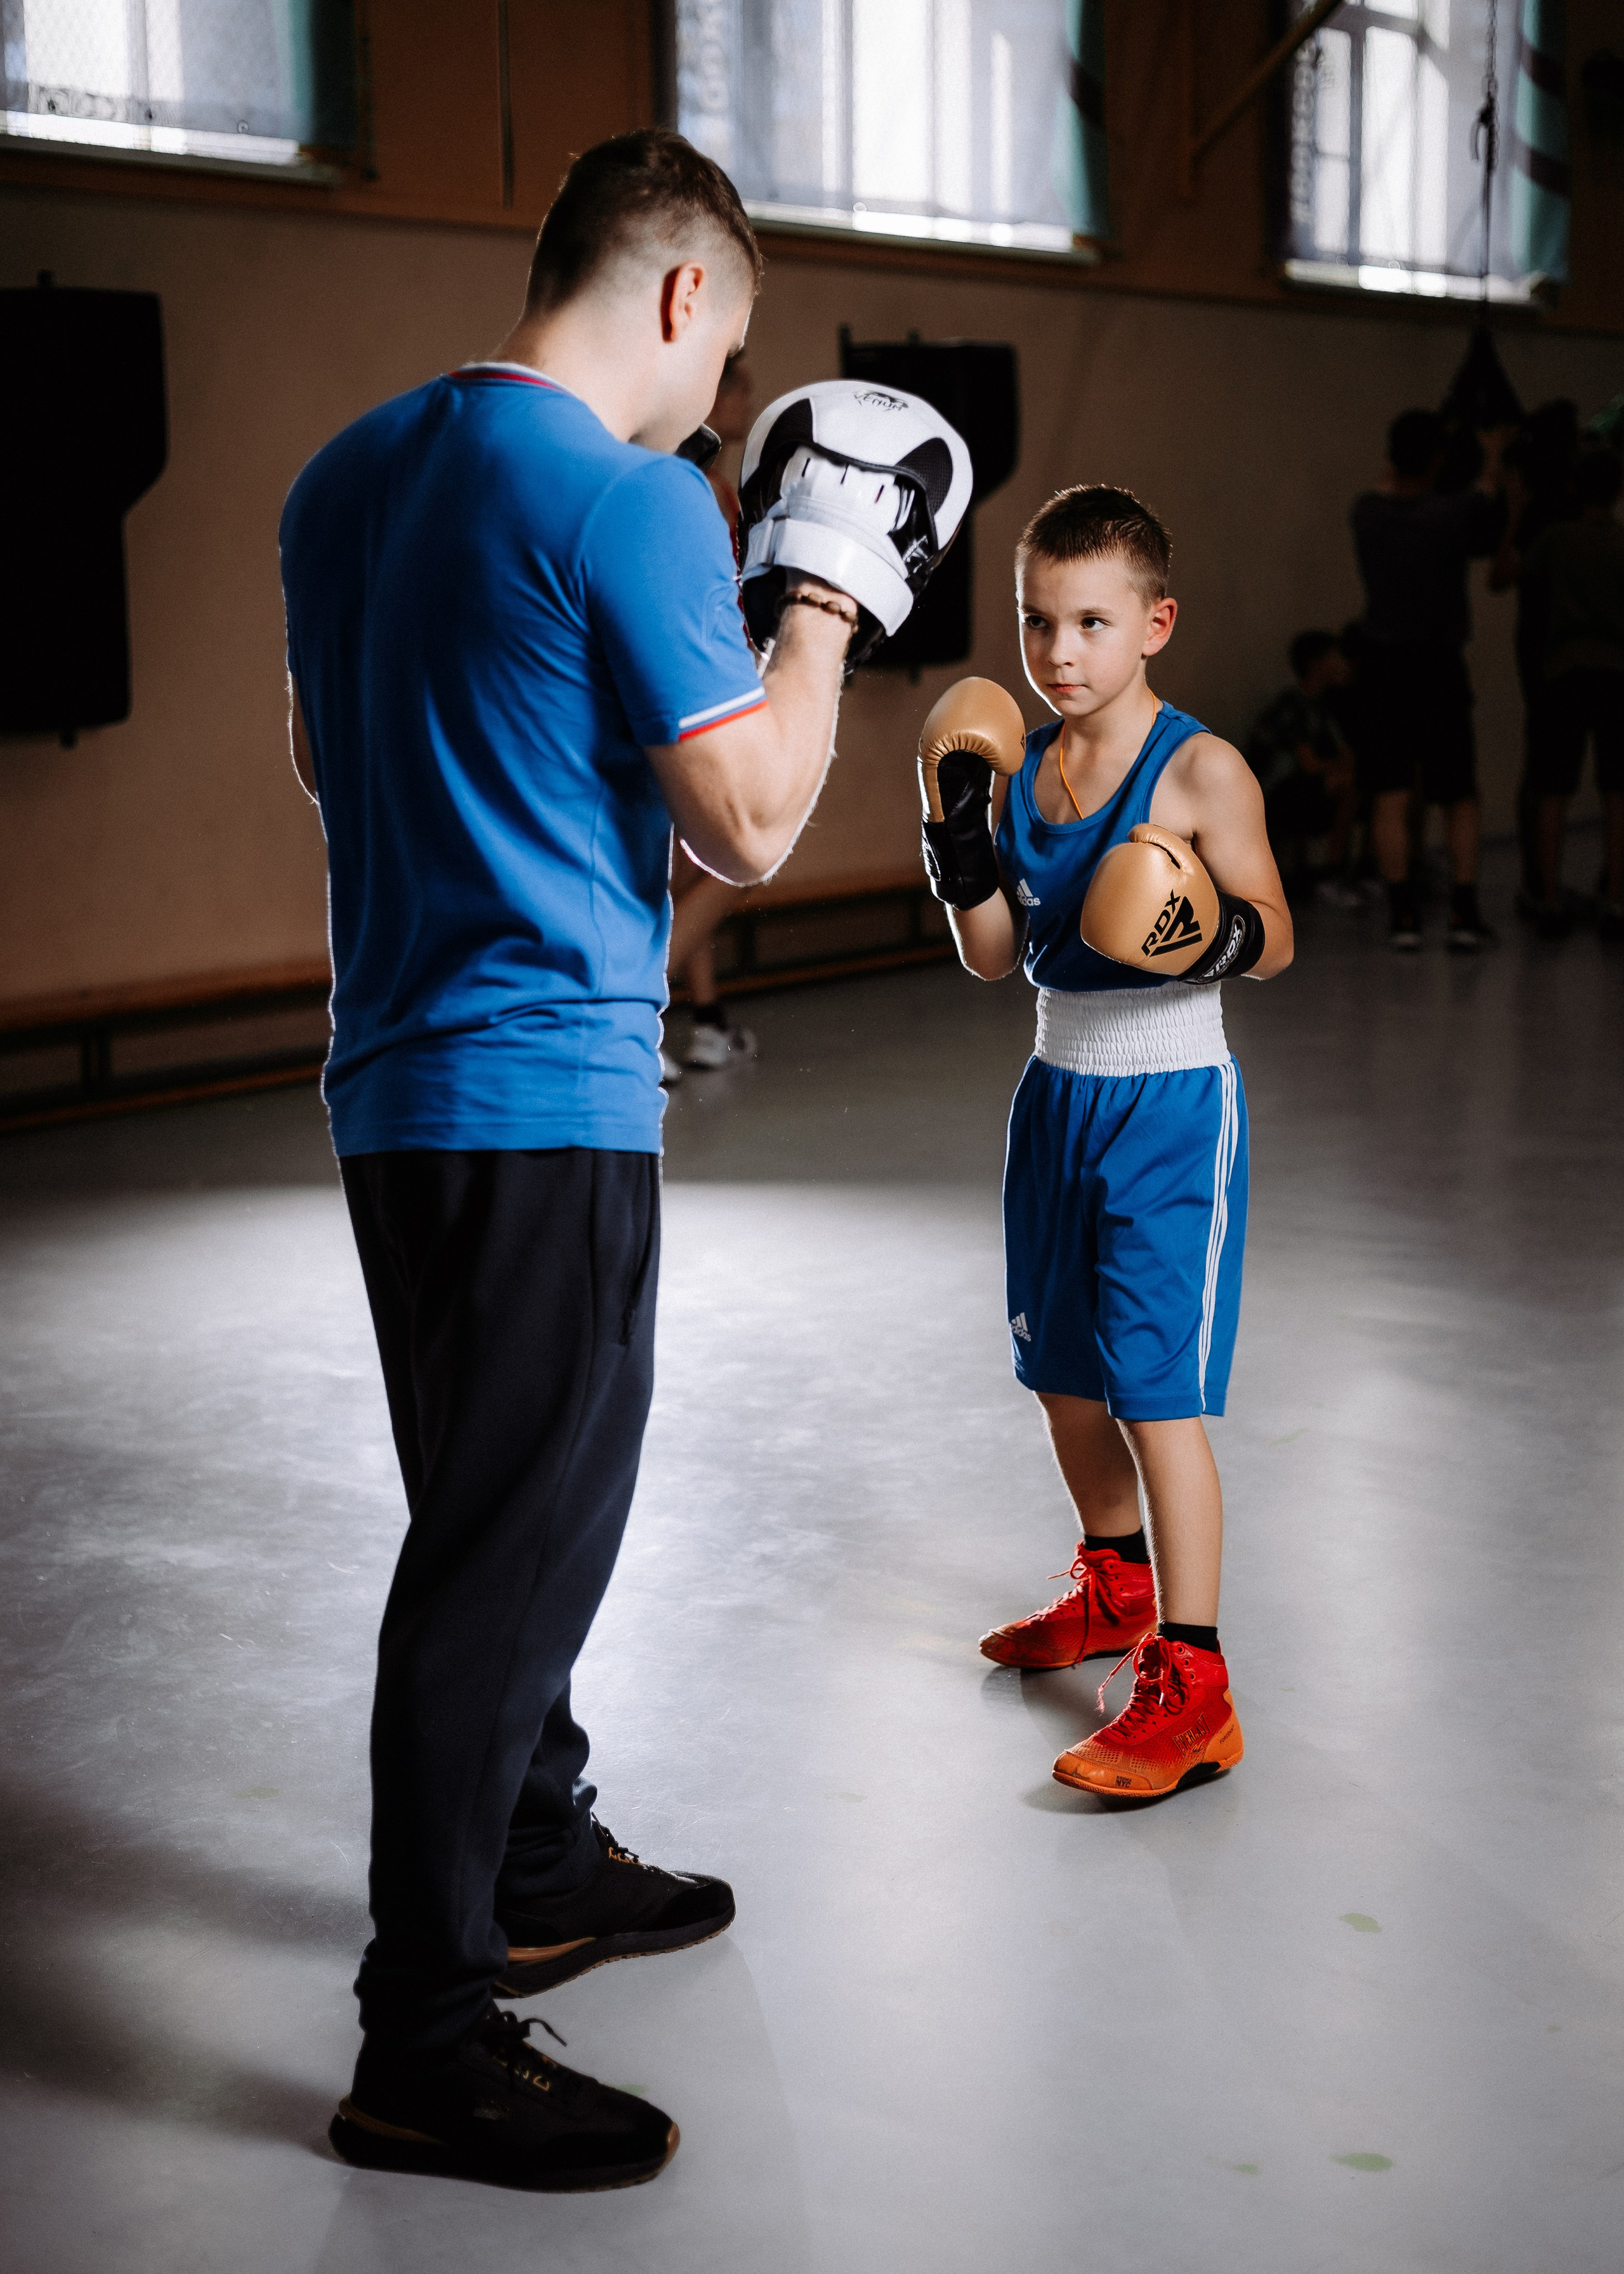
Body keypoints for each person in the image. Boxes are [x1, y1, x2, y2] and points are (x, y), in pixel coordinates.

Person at [279, 131, 868, 2192]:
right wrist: (816, 595)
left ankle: (533, 1845)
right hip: (545, 1095)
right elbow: (757, 823)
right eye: (735, 351)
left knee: (484, 1494)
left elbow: (355, 750)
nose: (724, 402)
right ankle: (426, 2035)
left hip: (393, 1084)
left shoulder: (341, 478)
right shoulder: (630, 502)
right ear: (687, 293)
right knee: (503, 1548)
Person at [919, 485, 1292, 1799]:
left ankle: (1194, 1684)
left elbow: (1274, 931)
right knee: (1061, 1373)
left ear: (1153, 623)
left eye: (1089, 621)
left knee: (1154, 1393)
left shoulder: (1197, 769)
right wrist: (958, 847)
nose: (1058, 651)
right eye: (1036, 622)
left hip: (1170, 1102)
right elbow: (989, 958)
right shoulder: (1016, 769)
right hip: (1054, 1088)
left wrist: (1206, 923)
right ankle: (1113, 1582)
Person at [1349, 407, 1510, 952]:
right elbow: (1487, 489)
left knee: (1391, 792)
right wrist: (1489, 454)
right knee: (1459, 793)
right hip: (1439, 666)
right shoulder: (1453, 515)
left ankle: (1403, 917)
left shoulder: (1368, 513)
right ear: (1438, 460)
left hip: (1384, 666)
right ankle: (1464, 913)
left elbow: (1386, 486)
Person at [667, 351, 759, 1076]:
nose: (749, 396)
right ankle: (631, 1017)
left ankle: (704, 1021)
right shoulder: (699, 490)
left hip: (675, 694)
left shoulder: (688, 483)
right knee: (744, 854)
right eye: (739, 381)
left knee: (679, 870)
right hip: (694, 698)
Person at [1517, 443, 1624, 939]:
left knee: (1554, 788)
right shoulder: (1620, 543)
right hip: (1617, 671)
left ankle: (1551, 894)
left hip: (1564, 669)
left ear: (1574, 488)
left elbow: (1514, 578)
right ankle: (1617, 897)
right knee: (1617, 791)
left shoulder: (1556, 539)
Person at [1488, 400, 1580, 920]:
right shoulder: (1573, 503)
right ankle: (1555, 886)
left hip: (1543, 652)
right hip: (1568, 653)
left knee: (1544, 773)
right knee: (1563, 776)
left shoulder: (1538, 507)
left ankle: (1539, 885)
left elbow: (1500, 577)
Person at [1244, 629, 1360, 902]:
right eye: (1336, 657)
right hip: (1270, 797)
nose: (1344, 663)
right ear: (1316, 663)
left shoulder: (1324, 707)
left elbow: (1345, 755)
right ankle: (1330, 874)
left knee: (1364, 780)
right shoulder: (1293, 706)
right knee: (1351, 783)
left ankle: (1345, 871)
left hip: (1297, 790)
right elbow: (1308, 765)